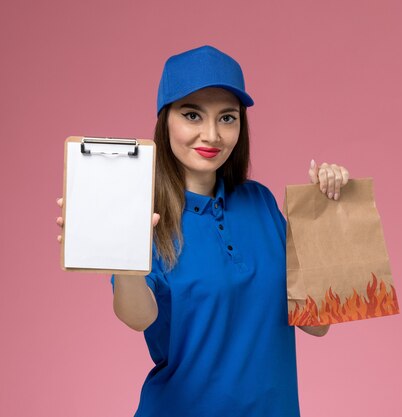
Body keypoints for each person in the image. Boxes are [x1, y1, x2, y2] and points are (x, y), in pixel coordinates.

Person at [55, 45, 350, 416]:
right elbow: (138, 317)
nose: (211, 134)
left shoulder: (261, 203)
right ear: (166, 120)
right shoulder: (143, 215)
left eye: (227, 118)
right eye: (192, 115)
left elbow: (318, 324)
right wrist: (126, 259)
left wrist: (326, 215)